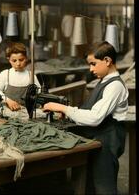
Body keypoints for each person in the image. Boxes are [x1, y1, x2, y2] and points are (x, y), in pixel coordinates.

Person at [43, 41, 128, 194]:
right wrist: (71, 113)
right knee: (91, 183)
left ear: (107, 61)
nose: (91, 69)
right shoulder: (104, 81)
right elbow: (92, 110)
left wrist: (64, 108)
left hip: (108, 140)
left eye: (93, 64)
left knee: (104, 187)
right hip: (99, 137)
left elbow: (95, 117)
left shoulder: (115, 86)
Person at [0, 42, 41, 111]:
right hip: (8, 110)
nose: (18, 64)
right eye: (14, 61)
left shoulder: (31, 75)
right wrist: (7, 100)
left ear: (26, 58)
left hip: (26, 111)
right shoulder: (5, 74)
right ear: (9, 59)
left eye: (21, 60)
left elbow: (39, 92)